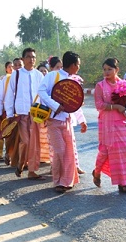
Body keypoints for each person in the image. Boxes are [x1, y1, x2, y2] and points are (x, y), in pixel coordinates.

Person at [38, 51, 88, 193]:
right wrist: (55, 105)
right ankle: (58, 181)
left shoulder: (74, 80)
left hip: (67, 121)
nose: (78, 67)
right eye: (78, 64)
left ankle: (67, 181)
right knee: (59, 150)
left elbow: (74, 104)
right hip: (53, 120)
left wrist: (82, 120)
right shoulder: (52, 75)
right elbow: (41, 91)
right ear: (72, 65)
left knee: (69, 151)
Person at [3, 47, 46, 177]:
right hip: (21, 114)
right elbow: (10, 94)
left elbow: (43, 95)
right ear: (23, 59)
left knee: (34, 143)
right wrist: (10, 113)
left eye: (33, 57)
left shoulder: (39, 75)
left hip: (36, 114)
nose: (31, 60)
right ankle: (21, 163)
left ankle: (31, 171)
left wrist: (44, 114)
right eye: (28, 57)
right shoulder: (16, 74)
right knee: (26, 141)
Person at [92, 57, 126, 194]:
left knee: (124, 151)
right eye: (104, 69)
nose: (106, 72)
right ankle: (97, 172)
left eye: (110, 69)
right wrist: (115, 106)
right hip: (106, 123)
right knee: (105, 151)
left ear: (117, 70)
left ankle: (123, 183)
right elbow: (99, 105)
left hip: (121, 122)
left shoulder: (125, 84)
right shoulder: (100, 86)